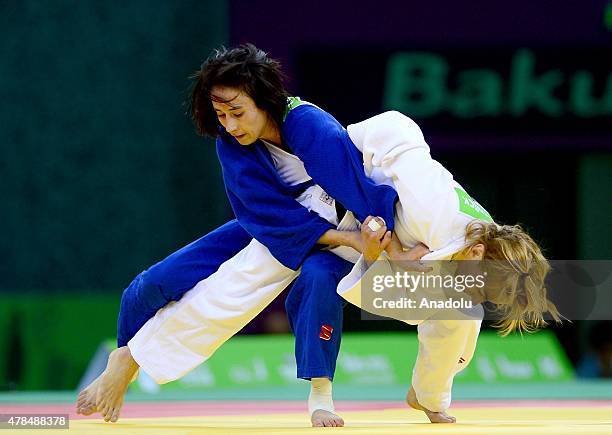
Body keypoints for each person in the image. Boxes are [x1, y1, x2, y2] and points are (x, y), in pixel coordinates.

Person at [78, 44, 561, 425]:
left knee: (455, 311)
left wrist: (380, 248)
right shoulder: (431, 205)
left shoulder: (473, 250)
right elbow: (383, 150)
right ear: (477, 251)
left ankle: (425, 392)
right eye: (222, 114)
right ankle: (128, 358)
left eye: (236, 112)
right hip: (317, 207)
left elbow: (459, 304)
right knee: (208, 283)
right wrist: (384, 240)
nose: (230, 124)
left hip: (348, 217)